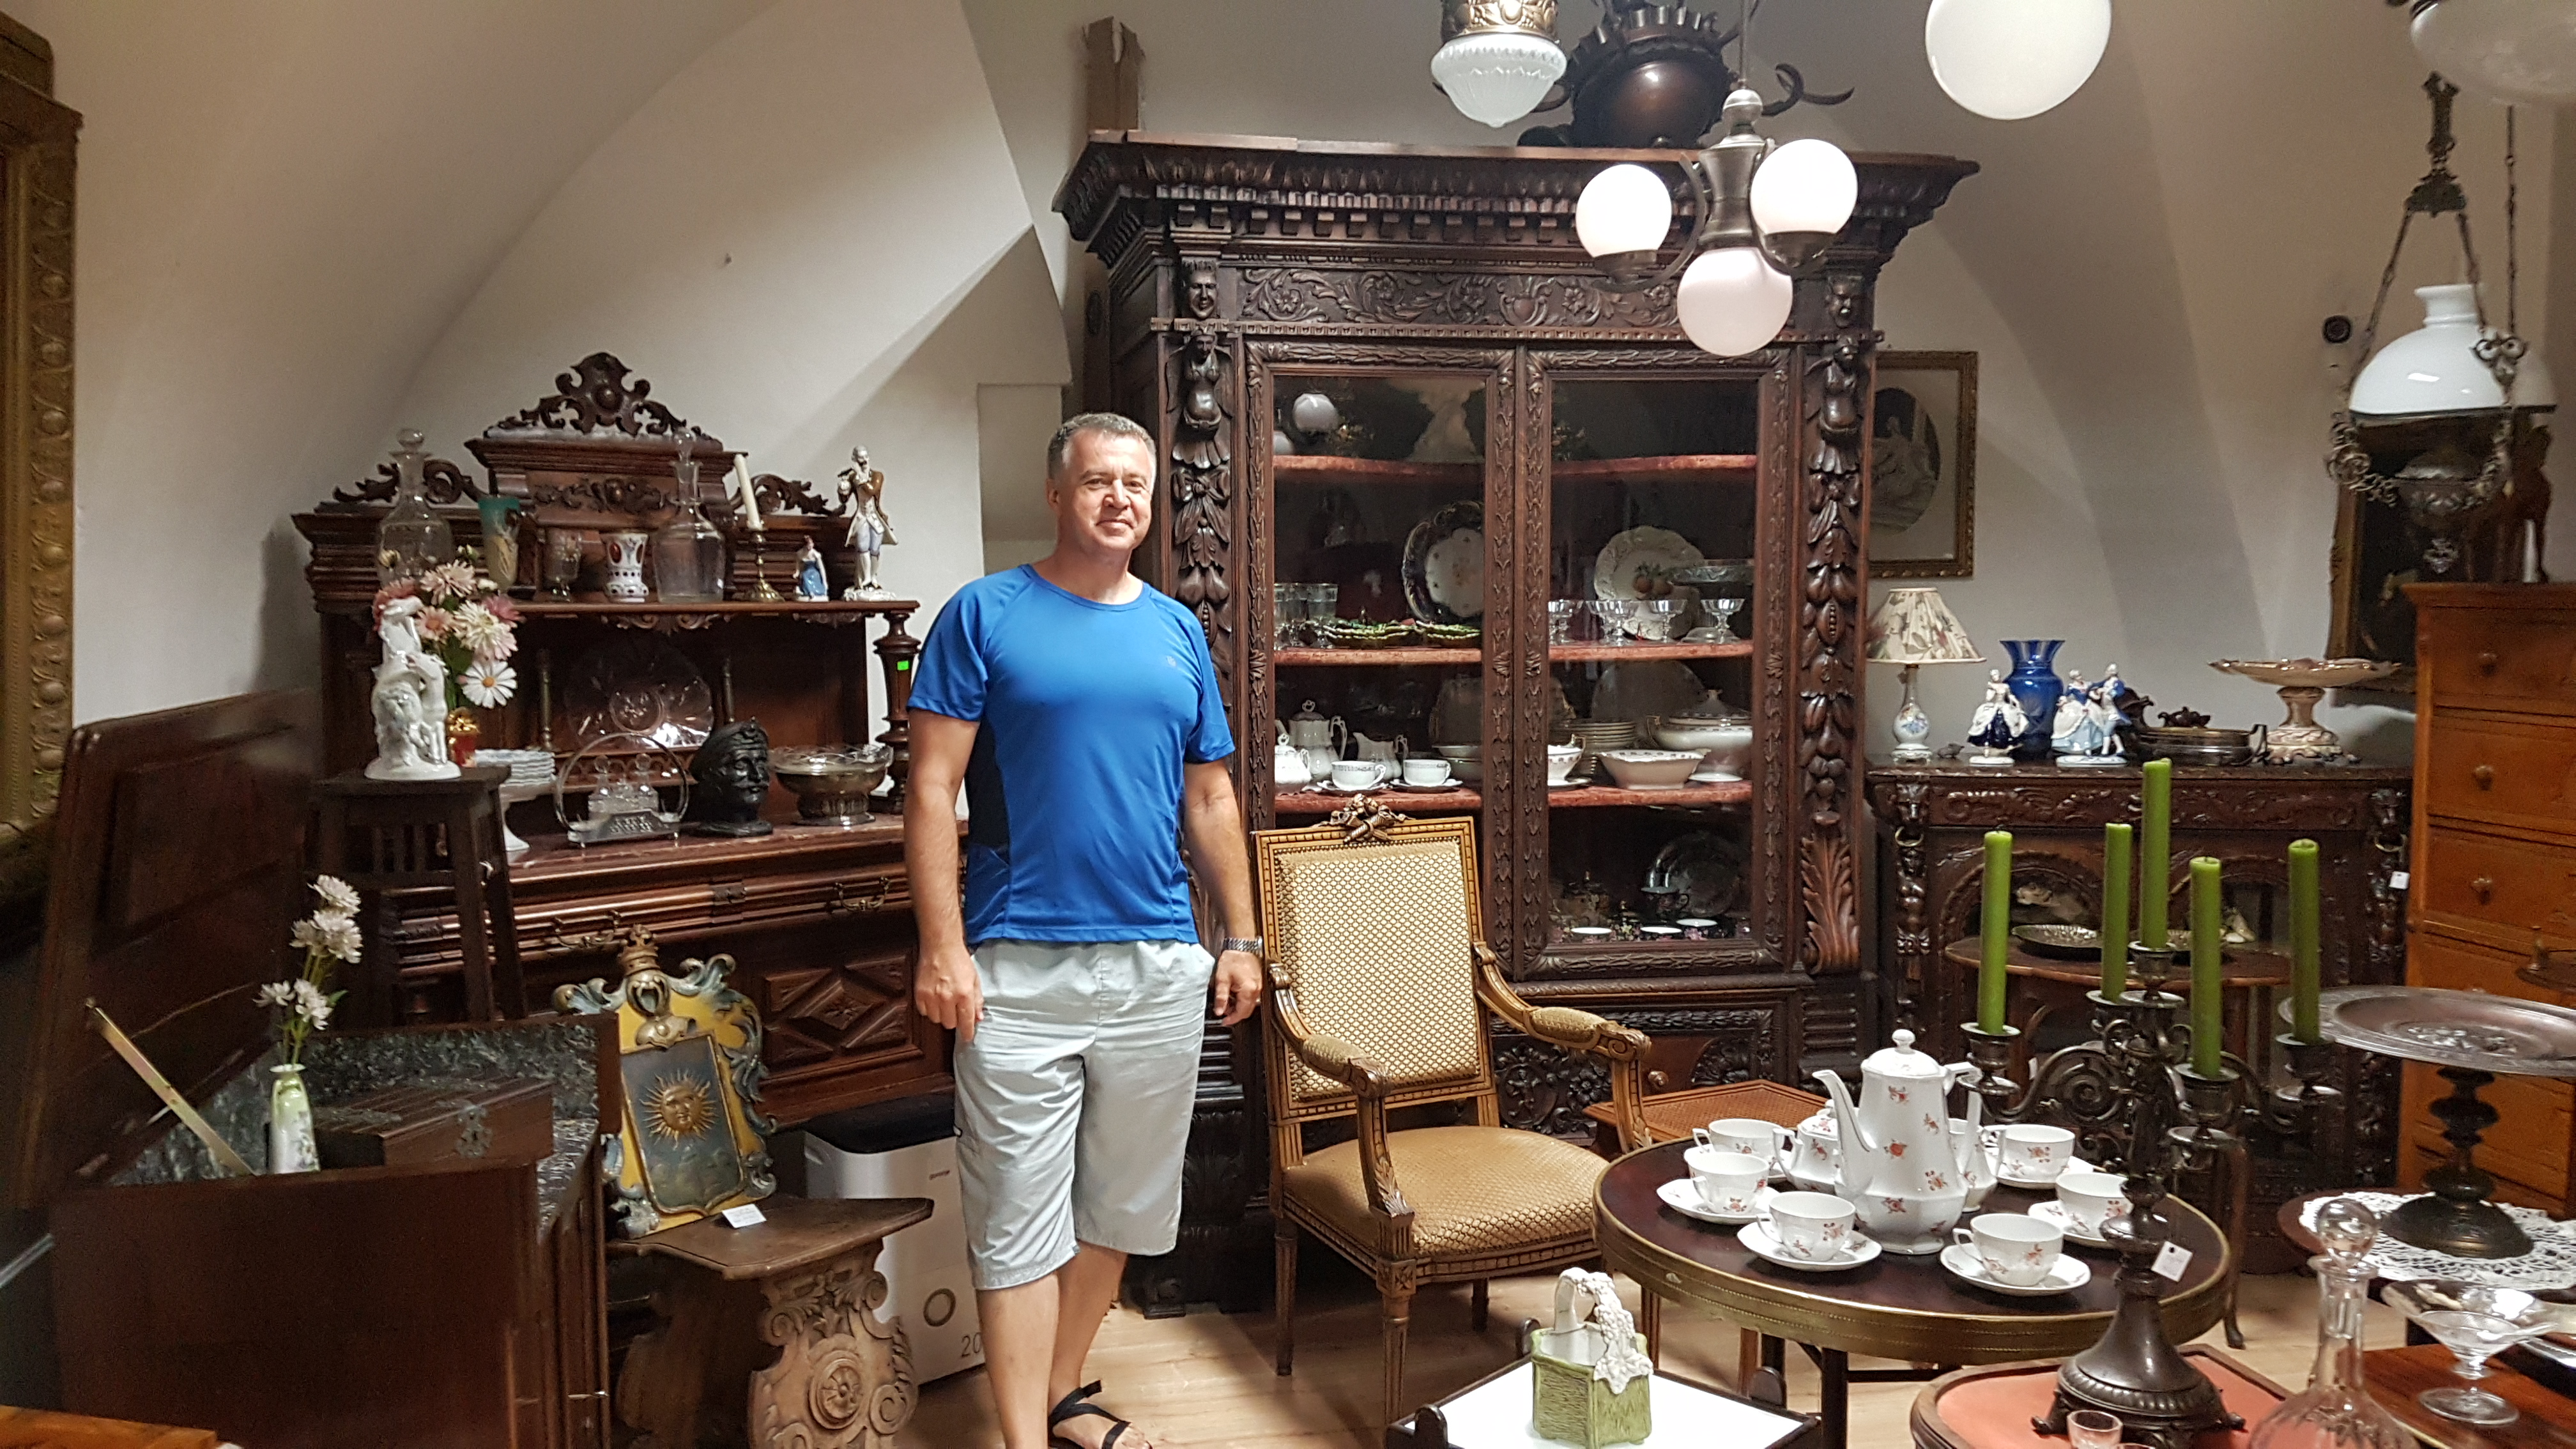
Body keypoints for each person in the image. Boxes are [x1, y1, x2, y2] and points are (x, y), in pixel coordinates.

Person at [904, 413, 1262, 1449]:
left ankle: (1057, 1398)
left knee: (1124, 1209)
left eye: (1136, 485)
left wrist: (1242, 938)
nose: (1120, 500)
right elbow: (930, 791)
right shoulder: (985, 614)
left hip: (1158, 961)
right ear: (1057, 493)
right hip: (1015, 964)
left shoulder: (1177, 631)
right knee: (1017, 1219)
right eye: (1099, 481)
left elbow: (1210, 796)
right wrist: (943, 949)